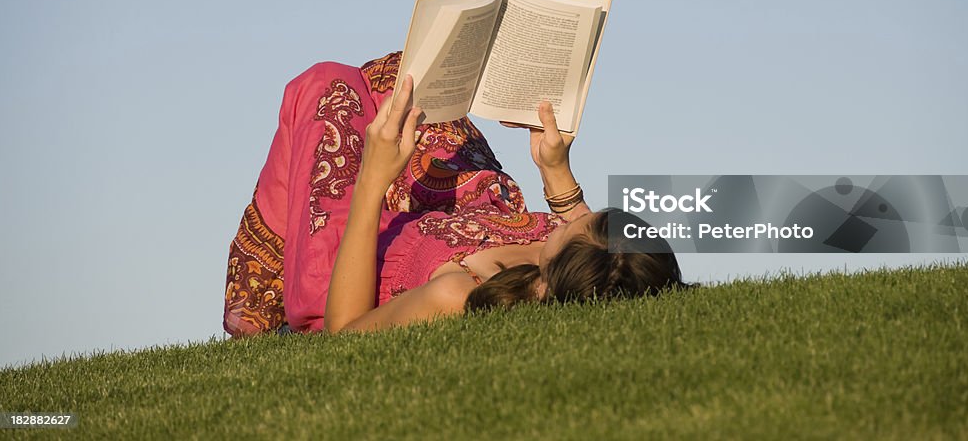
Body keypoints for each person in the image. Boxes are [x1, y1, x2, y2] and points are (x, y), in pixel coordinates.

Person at [223, 51, 690, 336]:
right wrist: (555, 168)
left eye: (572, 227)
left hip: (353, 252)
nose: (569, 217)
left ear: (557, 274)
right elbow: (603, 258)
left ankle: (262, 311)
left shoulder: (457, 295)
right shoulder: (591, 268)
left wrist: (373, 179)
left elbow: (346, 333)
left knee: (329, 86)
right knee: (409, 78)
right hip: (458, 216)